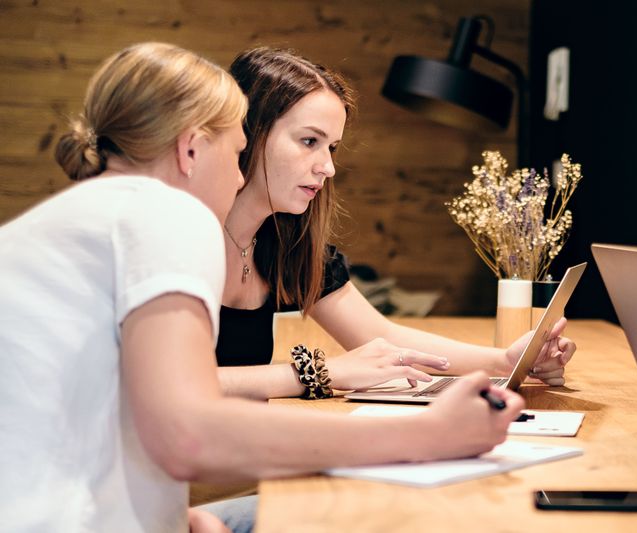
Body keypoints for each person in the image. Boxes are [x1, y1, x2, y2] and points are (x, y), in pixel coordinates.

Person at [0, 43, 523, 533]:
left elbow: (120, 413)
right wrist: (423, 437)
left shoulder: (92, 217)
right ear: (190, 150)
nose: (235, 177)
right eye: (234, 154)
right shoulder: (164, 213)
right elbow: (187, 434)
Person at [213, 47, 576, 401]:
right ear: (249, 133)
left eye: (332, 148)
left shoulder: (285, 242)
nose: (328, 167)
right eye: (310, 141)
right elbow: (163, 386)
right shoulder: (183, 238)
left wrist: (505, 361)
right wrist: (321, 372)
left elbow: (379, 335)